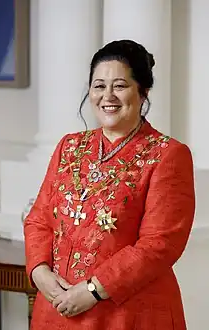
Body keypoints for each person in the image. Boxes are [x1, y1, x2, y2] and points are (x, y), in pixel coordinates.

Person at [24, 40, 195, 330]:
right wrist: (40, 272)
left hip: (127, 313)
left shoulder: (167, 154)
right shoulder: (69, 146)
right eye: (99, 86)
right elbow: (39, 219)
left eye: (120, 86)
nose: (108, 96)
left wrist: (92, 290)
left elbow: (159, 245)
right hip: (57, 309)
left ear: (143, 92)